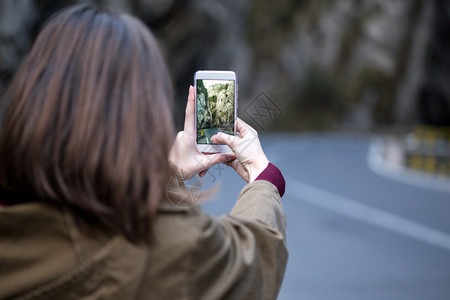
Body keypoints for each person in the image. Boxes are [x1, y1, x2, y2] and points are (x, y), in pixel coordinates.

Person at [0, 5, 287, 300]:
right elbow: (249, 268)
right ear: (144, 115)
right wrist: (263, 179)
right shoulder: (152, 245)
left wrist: (169, 174)